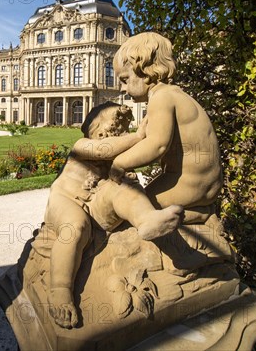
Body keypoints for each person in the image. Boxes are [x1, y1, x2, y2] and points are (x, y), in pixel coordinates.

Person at [44, 102, 183, 329]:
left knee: (123, 190)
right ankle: (60, 289)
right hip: (65, 200)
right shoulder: (83, 145)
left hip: (95, 206)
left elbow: (132, 159)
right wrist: (138, 136)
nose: (120, 132)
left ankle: (147, 219)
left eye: (123, 129)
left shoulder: (113, 161)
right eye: (115, 127)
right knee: (75, 226)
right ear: (95, 129)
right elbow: (104, 149)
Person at [111, 31, 223, 225]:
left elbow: (157, 145)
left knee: (137, 207)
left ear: (145, 70)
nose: (122, 89)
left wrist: (119, 163)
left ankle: (198, 216)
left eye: (124, 79)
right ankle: (199, 212)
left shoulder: (161, 98)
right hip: (206, 184)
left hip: (189, 184)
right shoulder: (174, 95)